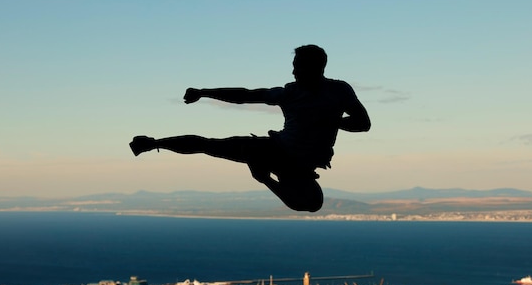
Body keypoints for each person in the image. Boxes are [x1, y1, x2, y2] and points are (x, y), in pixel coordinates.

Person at [129, 44, 371, 212]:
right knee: (209, 145)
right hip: (273, 151)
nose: (293, 71)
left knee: (312, 203)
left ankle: (262, 177)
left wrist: (331, 121)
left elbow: (363, 124)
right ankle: (153, 143)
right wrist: (204, 93)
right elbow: (246, 96)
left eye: (297, 66)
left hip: (295, 164)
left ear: (315, 67)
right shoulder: (290, 92)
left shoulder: (339, 90)